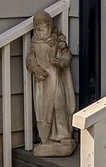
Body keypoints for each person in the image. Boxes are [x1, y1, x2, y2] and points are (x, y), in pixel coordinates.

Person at [26, 11, 76, 157]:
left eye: (43, 26)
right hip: (43, 83)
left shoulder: (57, 41)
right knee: (43, 109)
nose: (40, 30)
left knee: (59, 106)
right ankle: (46, 139)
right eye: (38, 28)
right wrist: (35, 68)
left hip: (56, 80)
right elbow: (30, 59)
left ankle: (63, 136)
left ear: (49, 26)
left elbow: (66, 54)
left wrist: (61, 62)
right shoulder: (34, 44)